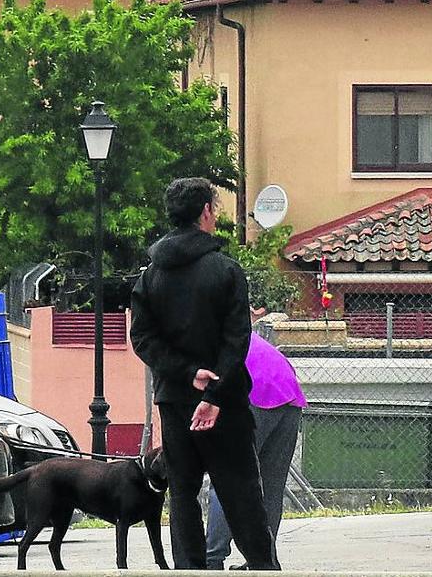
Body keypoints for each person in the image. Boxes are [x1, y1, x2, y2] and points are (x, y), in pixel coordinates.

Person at [130, 178, 279, 570]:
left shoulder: (150, 276)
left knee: (182, 492)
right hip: (225, 401)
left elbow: (143, 338)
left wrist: (186, 373)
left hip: (174, 399)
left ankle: (189, 569)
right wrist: (214, 394)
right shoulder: (225, 271)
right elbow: (237, 339)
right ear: (206, 213)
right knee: (241, 492)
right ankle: (264, 567)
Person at [207, 323, 307, 569]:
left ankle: (212, 557)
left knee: (226, 478)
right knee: (270, 486)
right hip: (289, 392)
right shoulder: (232, 323)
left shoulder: (198, 332)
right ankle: (264, 560)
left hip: (255, 391)